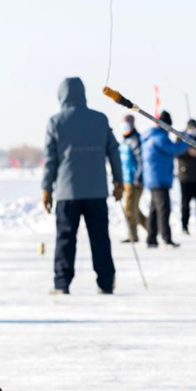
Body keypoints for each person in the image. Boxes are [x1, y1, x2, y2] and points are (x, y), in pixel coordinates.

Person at [41, 77, 122, 295]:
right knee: (100, 238)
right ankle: (105, 282)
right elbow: (114, 152)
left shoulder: (56, 122)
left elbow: (50, 160)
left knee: (65, 239)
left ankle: (61, 283)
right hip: (96, 192)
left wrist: (46, 189)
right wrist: (118, 182)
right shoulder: (100, 119)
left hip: (67, 193)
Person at [141, 111, 189, 249]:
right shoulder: (160, 138)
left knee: (154, 210)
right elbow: (174, 149)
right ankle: (166, 239)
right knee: (163, 209)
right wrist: (188, 139)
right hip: (159, 179)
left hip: (153, 178)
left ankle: (151, 239)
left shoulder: (150, 135)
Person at [118, 115, 147, 243]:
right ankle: (153, 229)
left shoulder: (135, 140)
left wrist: (138, 177)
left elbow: (141, 160)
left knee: (129, 209)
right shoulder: (125, 140)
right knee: (134, 208)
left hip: (134, 180)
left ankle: (132, 235)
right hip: (126, 179)